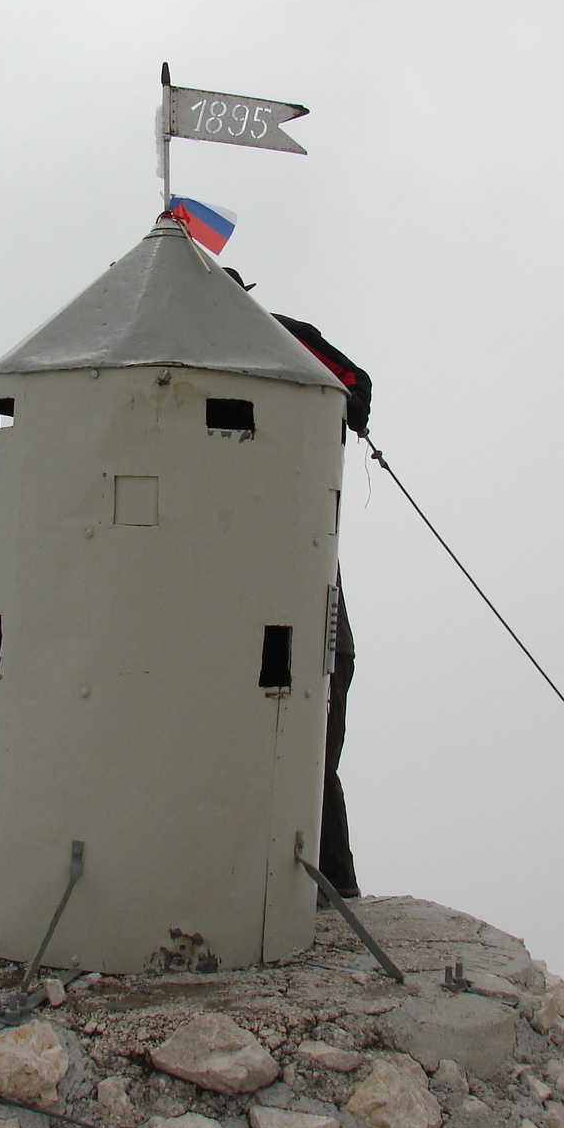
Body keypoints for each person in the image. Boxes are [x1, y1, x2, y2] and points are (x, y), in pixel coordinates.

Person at [224, 269, 370, 899]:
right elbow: (355, 389)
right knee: (308, 758)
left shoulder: (280, 340)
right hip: (295, 610)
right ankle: (319, 887)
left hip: (301, 614)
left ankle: (326, 887)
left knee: (309, 757)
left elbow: (353, 389)